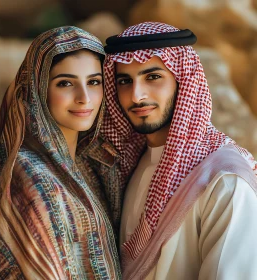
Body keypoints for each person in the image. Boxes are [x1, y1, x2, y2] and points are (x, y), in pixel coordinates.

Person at [100, 22, 257, 279]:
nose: (136, 95)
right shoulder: (131, 163)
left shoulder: (225, 179)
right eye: (125, 81)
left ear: (183, 81)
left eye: (153, 77)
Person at [0, 26, 121, 279]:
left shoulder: (91, 164)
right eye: (65, 83)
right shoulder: (29, 175)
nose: (84, 97)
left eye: (94, 82)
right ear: (38, 88)